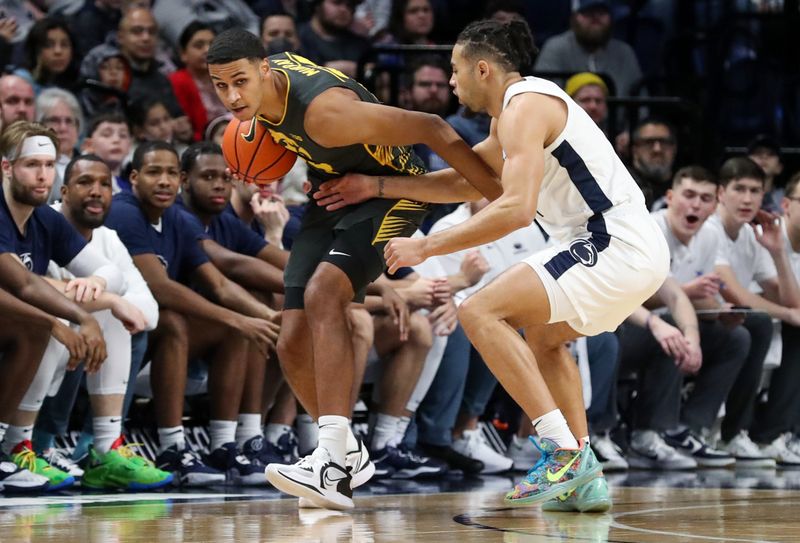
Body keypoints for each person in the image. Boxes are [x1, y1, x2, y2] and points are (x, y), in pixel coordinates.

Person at [314, 18, 670, 510]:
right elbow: (469, 182)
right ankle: (583, 476)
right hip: (625, 246)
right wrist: (376, 187)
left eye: (455, 70)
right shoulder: (512, 116)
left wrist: (427, 248)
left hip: (612, 240)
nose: (453, 81)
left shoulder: (526, 106)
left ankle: (562, 452)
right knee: (545, 339)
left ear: (483, 69)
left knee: (479, 311)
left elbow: (516, 208)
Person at [207, 28, 497, 510]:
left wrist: (495, 186)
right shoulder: (261, 95)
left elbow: (430, 126)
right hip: (335, 188)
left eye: (240, 82)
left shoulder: (326, 114)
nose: (233, 96)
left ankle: (331, 464)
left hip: (395, 191)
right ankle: (347, 454)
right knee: (290, 338)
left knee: (324, 294)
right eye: (220, 86)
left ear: (264, 71)